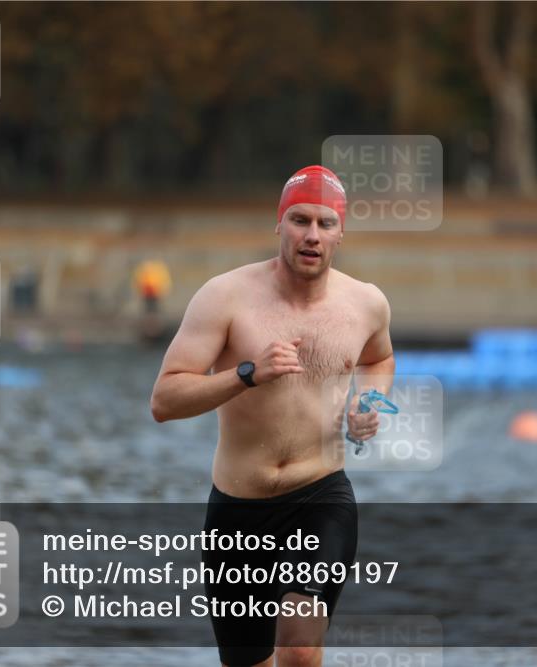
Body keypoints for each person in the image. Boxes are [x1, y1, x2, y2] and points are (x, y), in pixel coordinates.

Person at [150, 165, 394, 667]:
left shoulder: (366, 303)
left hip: (320, 496)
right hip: (238, 509)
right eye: (300, 220)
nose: (312, 235)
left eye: (325, 223)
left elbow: (379, 358)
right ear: (279, 224)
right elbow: (165, 401)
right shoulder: (224, 297)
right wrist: (246, 374)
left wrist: (367, 401)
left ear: (340, 233)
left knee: (300, 649)